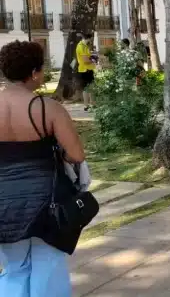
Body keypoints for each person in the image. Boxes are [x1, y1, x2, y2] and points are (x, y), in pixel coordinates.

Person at [0, 40, 86, 296]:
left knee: (14, 268)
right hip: (46, 201)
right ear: (35, 73)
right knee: (48, 266)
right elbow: (76, 154)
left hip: (3, 202)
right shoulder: (48, 109)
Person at [76, 33, 97, 111]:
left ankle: (92, 104)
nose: (91, 41)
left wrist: (92, 56)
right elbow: (85, 60)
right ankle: (86, 105)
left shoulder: (84, 46)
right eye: (91, 39)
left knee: (91, 87)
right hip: (85, 70)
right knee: (86, 88)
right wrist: (94, 60)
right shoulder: (81, 47)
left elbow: (87, 57)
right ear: (88, 38)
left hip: (88, 69)